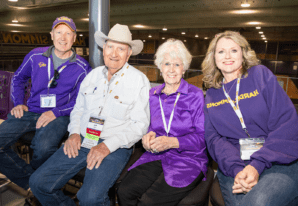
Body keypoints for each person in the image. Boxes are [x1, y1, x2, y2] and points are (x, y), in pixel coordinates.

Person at [29, 24, 150, 206]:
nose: (114, 53)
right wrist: (75, 132)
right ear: (104, 49)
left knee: (89, 197)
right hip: (84, 138)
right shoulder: (92, 76)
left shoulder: (139, 80)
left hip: (114, 145)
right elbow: (78, 110)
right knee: (38, 183)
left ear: (129, 53)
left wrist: (106, 146)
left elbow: (140, 125)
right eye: (110, 47)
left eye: (121, 48)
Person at [202, 31, 298, 206]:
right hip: (235, 166)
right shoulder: (212, 94)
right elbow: (214, 139)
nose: (227, 56)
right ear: (213, 57)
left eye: (234, 50)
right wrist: (238, 168)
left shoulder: (260, 75)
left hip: (277, 159)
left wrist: (257, 164)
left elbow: (286, 123)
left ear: (243, 53)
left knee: (258, 202)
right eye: (221, 51)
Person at [0, 16, 91, 190]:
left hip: (60, 115)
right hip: (31, 110)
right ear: (51, 34)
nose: (63, 38)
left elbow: (83, 102)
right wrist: (18, 102)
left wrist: (56, 112)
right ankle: (32, 183)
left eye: (68, 33)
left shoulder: (82, 67)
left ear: (74, 37)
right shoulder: (35, 56)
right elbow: (18, 78)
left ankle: (41, 184)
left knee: (43, 148)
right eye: (58, 32)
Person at [117, 39, 208, 206]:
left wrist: (173, 142)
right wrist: (148, 136)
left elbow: (203, 137)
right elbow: (150, 125)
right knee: (124, 192)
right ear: (160, 67)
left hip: (188, 159)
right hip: (156, 155)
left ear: (184, 68)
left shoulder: (195, 95)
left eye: (177, 64)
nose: (171, 70)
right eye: (167, 64)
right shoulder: (152, 95)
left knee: (149, 203)